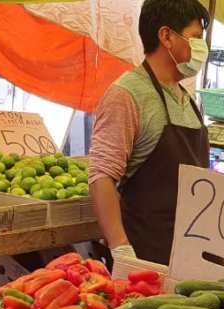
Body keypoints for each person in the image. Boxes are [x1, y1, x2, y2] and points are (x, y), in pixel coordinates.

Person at [88, 0, 211, 265]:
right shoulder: (126, 94)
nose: (202, 48)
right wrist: (121, 248)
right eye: (196, 38)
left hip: (188, 256)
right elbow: (101, 176)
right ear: (166, 36)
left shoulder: (187, 99)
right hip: (143, 259)